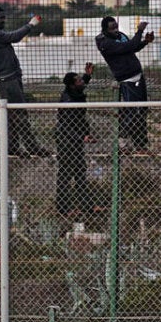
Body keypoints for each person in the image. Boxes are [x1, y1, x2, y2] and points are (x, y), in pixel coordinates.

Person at [0, 6, 49, 158]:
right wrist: (30, 24)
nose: (3, 20)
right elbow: (15, 36)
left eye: (4, 17)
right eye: (0, 18)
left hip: (10, 77)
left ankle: (12, 146)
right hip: (8, 79)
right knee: (20, 113)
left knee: (12, 115)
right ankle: (32, 147)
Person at [96, 17, 154, 154]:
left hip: (137, 75)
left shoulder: (120, 36)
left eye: (116, 27)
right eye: (112, 28)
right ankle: (123, 144)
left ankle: (141, 146)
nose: (116, 30)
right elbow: (129, 46)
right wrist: (139, 31)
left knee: (141, 111)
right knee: (132, 112)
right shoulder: (105, 42)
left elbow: (132, 48)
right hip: (127, 79)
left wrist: (145, 41)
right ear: (105, 29)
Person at [55, 62, 95, 218]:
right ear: (72, 85)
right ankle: (63, 209)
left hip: (75, 142)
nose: (82, 82)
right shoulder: (68, 101)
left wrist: (87, 75)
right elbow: (65, 126)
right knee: (65, 176)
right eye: (78, 80)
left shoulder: (74, 93)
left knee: (80, 174)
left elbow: (81, 87)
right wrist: (82, 137)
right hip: (66, 142)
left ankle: (87, 206)